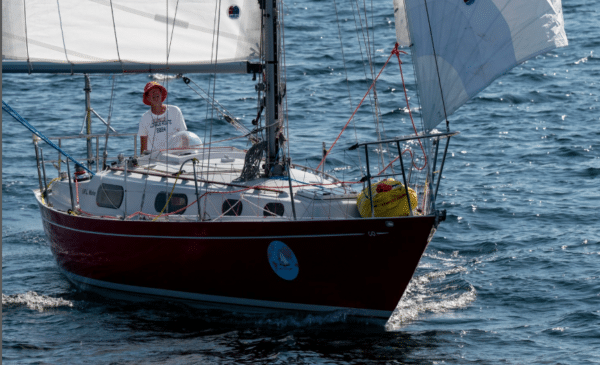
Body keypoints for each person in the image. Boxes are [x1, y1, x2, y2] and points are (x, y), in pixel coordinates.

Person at [138, 81, 187, 154]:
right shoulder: (144, 118)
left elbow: (184, 136)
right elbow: (143, 147)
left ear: (161, 94)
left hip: (175, 155)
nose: (154, 92)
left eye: (157, 90)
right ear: (147, 98)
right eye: (151, 91)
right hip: (155, 159)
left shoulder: (175, 110)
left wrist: (184, 154)